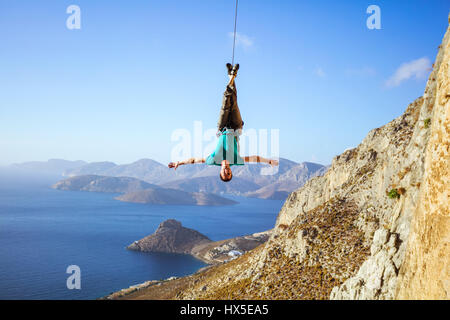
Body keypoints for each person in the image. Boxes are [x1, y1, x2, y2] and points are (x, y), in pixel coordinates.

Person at [168, 63, 279, 182]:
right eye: (229, 173)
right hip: (237, 127)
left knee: (226, 104)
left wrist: (179, 163)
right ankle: (231, 76)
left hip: (222, 128)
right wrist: (268, 161)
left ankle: (231, 77)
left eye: (225, 173)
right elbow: (255, 158)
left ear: (220, 172)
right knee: (234, 102)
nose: (227, 170)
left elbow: (194, 160)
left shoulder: (213, 160)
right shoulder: (236, 161)